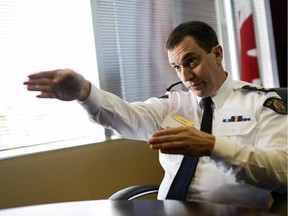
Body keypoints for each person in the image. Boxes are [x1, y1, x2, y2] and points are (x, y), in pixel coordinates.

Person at [23, 21, 287, 209]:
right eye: (176, 67)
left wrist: (214, 147)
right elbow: (127, 118)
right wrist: (85, 92)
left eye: (191, 62)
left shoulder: (262, 103)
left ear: (216, 53)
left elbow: (282, 172)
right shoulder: (173, 105)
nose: (185, 76)